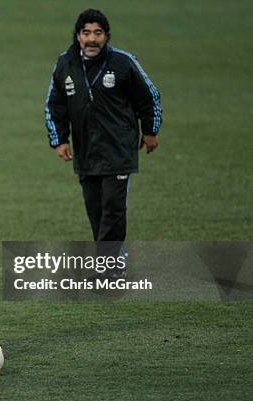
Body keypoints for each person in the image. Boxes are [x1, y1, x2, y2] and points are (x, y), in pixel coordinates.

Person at [45, 9, 162, 273]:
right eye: (86, 33)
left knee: (113, 207)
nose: (92, 39)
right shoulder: (65, 64)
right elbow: (55, 104)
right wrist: (59, 140)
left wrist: (150, 130)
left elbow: (149, 96)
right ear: (78, 36)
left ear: (106, 36)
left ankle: (107, 264)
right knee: (95, 208)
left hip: (119, 148)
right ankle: (112, 256)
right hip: (86, 150)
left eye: (98, 33)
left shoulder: (122, 62)